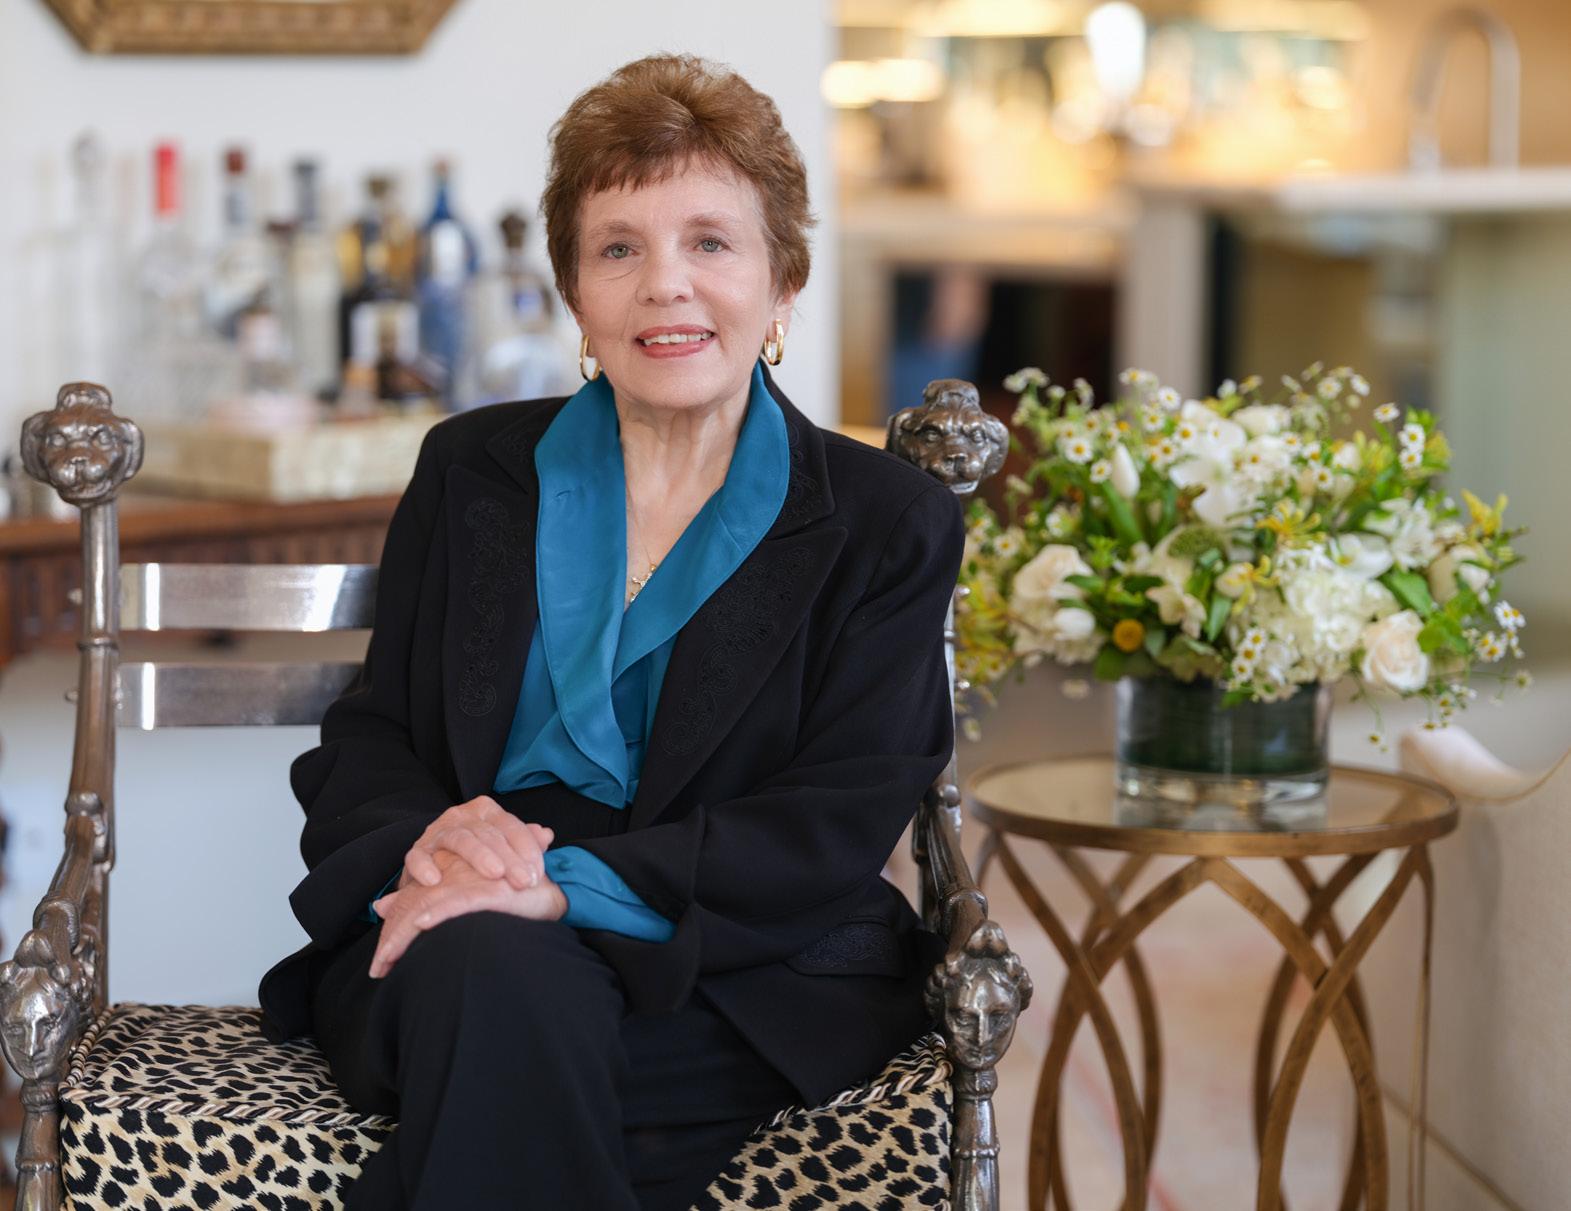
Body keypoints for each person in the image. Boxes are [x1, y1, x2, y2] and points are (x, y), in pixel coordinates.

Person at [257, 52, 965, 1211]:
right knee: (493, 976)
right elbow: (373, 735)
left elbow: (835, 816)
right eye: (619, 249)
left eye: (710, 242)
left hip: (737, 959)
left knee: (495, 1027)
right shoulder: (471, 471)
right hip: (451, 923)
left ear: (782, 281)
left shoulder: (884, 520)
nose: (664, 285)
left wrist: (559, 885)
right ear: (575, 292)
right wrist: (442, 844)